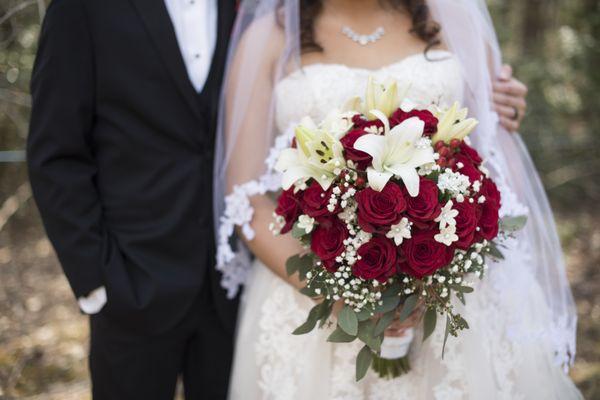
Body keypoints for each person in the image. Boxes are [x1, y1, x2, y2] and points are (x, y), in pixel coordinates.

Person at [214, 0, 583, 398]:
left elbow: (494, 150)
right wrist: (343, 297)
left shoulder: (453, 19)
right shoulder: (269, 37)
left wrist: (442, 265)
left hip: (454, 293)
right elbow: (246, 199)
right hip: (316, 299)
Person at [27, 0, 237, 398]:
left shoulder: (250, 7)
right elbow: (55, 154)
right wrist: (96, 282)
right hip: (130, 284)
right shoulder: (82, 9)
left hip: (231, 288)